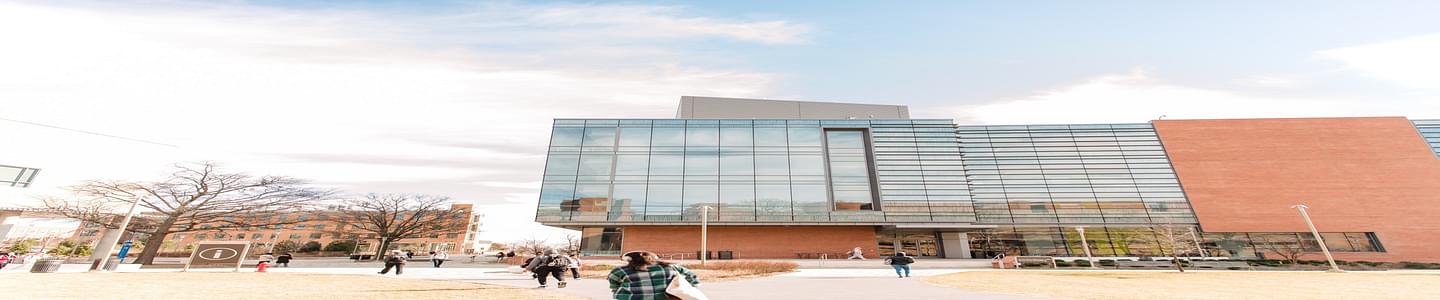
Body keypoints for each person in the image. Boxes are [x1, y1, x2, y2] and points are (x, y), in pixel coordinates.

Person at [609, 251, 700, 300]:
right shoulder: (671, 267)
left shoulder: (620, 270)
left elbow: (614, 286)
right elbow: (694, 279)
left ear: (630, 260)